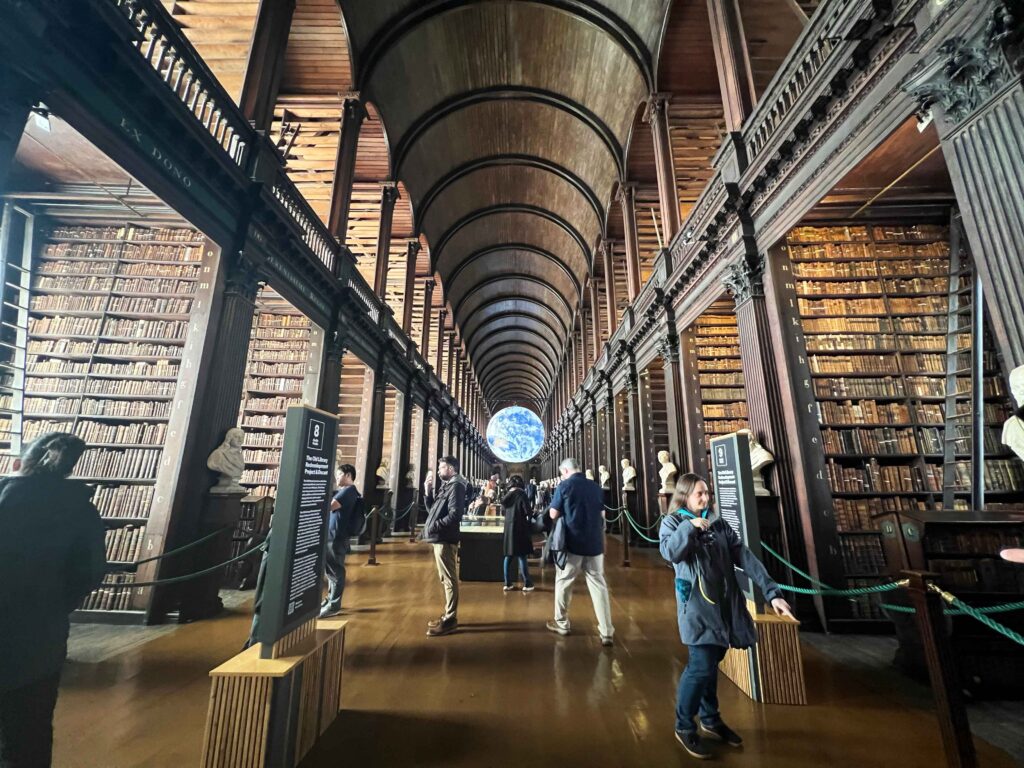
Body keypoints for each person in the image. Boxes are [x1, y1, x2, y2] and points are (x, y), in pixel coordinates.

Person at [659, 473, 795, 760]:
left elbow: (744, 557)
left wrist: (773, 593)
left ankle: (710, 719)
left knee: (711, 664)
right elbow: (671, 552)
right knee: (700, 665)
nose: (706, 498)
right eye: (699, 494)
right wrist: (690, 528)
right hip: (696, 607)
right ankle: (684, 726)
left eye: (707, 493)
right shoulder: (672, 523)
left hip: (724, 606)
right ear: (684, 496)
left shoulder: (718, 524)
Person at [0, 433, 106, 767]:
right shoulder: (81, 512)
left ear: (16, 463)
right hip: (38, 634)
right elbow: (89, 574)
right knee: (29, 729)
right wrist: (54, 605)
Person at [545, 457, 614, 646]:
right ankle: (606, 630)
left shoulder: (565, 486)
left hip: (572, 544)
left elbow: (553, 514)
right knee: (599, 586)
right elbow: (602, 515)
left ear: (565, 471)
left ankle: (562, 623)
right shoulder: (595, 487)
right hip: (594, 544)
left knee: (564, 582)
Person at [421, 455, 467, 637]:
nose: (439, 472)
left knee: (449, 579)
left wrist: (435, 526)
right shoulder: (448, 486)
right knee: (445, 578)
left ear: (450, 468)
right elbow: (433, 510)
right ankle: (448, 614)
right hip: (440, 537)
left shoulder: (456, 486)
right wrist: (427, 491)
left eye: (441, 468)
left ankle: (450, 619)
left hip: (445, 538)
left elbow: (456, 514)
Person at [320, 464, 361, 618]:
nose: (337, 477)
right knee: (331, 569)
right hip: (335, 535)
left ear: (348, 475)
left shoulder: (348, 492)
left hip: (337, 536)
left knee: (335, 570)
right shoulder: (347, 491)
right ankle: (330, 599)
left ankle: (334, 604)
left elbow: (329, 507)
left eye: (339, 474)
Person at [501, 475, 535, 593]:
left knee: (508, 556)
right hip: (520, 527)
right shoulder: (521, 494)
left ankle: (507, 583)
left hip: (509, 528)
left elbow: (502, 512)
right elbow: (528, 512)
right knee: (522, 555)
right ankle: (527, 583)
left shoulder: (506, 495)